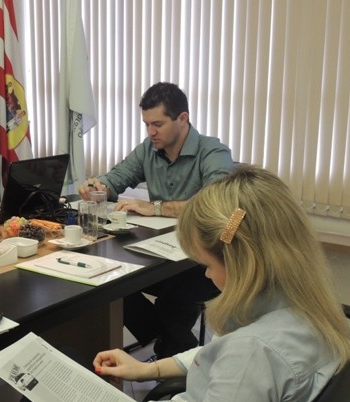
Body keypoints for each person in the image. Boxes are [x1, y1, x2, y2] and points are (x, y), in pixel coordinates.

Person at [15, 165, 350, 402]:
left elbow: (239, 365)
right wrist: (147, 369)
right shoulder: (307, 311)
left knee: (41, 396)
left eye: (208, 265)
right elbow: (220, 356)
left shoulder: (251, 356)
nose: (206, 275)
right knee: (57, 376)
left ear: (242, 264)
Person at [78, 82, 236, 359]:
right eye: (147, 124)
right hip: (162, 253)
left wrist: (156, 208)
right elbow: (116, 178)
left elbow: (215, 205)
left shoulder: (213, 152)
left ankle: (174, 355)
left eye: (158, 124)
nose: (151, 132)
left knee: (174, 302)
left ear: (182, 119)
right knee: (110, 282)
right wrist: (97, 186)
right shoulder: (148, 149)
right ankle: (170, 344)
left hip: (206, 260)